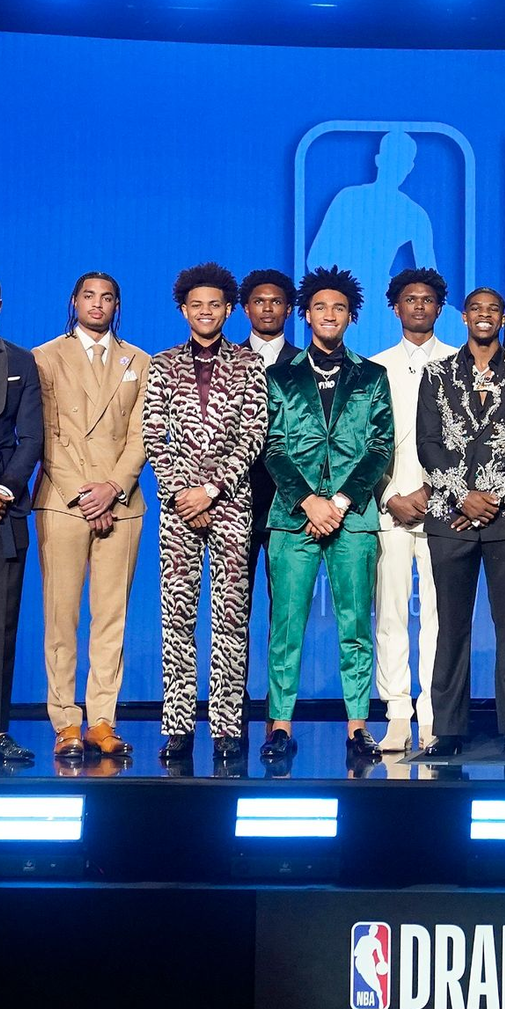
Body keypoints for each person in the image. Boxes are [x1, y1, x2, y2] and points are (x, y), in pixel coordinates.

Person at [260, 266, 394, 762]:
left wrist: (338, 501)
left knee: (355, 625)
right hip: (292, 516)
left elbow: (379, 447)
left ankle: (358, 725)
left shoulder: (372, 376)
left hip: (352, 517)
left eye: (339, 308)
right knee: (285, 625)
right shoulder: (279, 376)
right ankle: (280, 725)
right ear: (307, 315)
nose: (330, 314)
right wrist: (308, 501)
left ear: (351, 316)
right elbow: (272, 447)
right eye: (320, 307)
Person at [416, 287, 505, 757]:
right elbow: (428, 444)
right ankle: (449, 730)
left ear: (503, 319)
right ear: (465, 317)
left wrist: (495, 497)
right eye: (476, 309)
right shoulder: (437, 373)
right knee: (451, 627)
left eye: (493, 310)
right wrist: (462, 495)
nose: (485, 316)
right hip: (450, 517)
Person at [143, 263, 267, 763]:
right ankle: (176, 726)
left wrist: (211, 490)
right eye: (197, 305)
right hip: (178, 509)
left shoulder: (249, 364)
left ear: (229, 310)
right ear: (183, 310)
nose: (206, 312)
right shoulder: (162, 364)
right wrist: (182, 495)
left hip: (231, 504)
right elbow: (154, 436)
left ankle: (227, 726)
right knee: (176, 617)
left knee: (230, 619)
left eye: (215, 304)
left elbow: (254, 435)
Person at [33, 272, 149, 762]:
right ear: (74, 301)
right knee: (61, 617)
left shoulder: (138, 361)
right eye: (89, 296)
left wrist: (112, 489)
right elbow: (46, 434)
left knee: (111, 618)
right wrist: (86, 496)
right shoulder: (44, 357)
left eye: (107, 297)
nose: (97, 304)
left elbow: (142, 436)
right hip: (63, 500)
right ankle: (65, 721)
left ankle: (102, 719)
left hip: (121, 504)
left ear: (117, 305)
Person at [370, 268, 456, 753]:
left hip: (445, 507)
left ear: (440, 307)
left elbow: (470, 443)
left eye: (427, 298)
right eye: (410, 298)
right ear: (395, 307)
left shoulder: (459, 363)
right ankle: (398, 713)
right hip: (390, 508)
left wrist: (434, 490)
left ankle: (434, 713)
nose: (419, 305)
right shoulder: (374, 367)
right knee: (390, 614)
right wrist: (389, 496)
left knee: (441, 617)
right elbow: (362, 445)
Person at [0, 272, 43, 765]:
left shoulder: (22, 360)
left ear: (1, 302)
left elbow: (33, 437)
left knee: (2, 628)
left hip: (4, 510)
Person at [238, 269, 299, 728]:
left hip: (289, 504)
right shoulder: (226, 360)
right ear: (245, 308)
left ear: (289, 309)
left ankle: (280, 714)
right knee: (233, 613)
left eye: (276, 301)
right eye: (259, 301)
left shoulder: (306, 363)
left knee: (286, 615)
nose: (267, 308)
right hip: (235, 501)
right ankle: (232, 708)